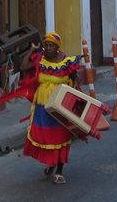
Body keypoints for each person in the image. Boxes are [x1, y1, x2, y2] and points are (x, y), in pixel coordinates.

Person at [21, 31, 83, 186]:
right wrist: (32, 49)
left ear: (57, 47)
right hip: (42, 106)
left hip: (60, 105)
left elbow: (75, 80)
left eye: (50, 45)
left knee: (61, 136)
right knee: (46, 137)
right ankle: (51, 163)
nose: (47, 48)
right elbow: (23, 66)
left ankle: (59, 171)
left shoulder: (66, 61)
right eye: (46, 45)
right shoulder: (40, 59)